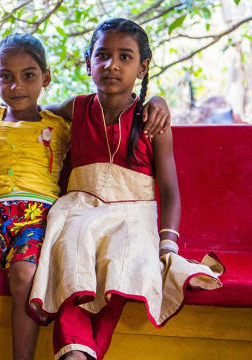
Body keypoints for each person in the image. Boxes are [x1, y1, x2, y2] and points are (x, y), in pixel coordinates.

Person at [0, 33, 173, 360]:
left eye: (29, 76)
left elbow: (99, 107)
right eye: (5, 76)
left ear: (46, 78)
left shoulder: (60, 121)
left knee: (25, 275)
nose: (17, 86)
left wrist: (159, 101)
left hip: (39, 217)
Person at [27, 18, 223, 360]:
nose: (112, 65)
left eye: (125, 57)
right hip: (78, 207)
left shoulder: (152, 120)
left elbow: (170, 190)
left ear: (143, 67)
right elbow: (30, 112)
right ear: (88, 63)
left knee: (122, 263)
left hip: (133, 213)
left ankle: (79, 352)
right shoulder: (76, 108)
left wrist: (167, 243)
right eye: (102, 55)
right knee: (71, 252)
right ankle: (76, 352)